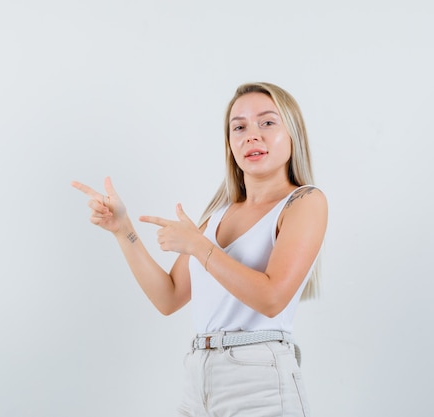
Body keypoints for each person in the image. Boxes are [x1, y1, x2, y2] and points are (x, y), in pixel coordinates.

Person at [71, 82, 327, 417]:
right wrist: (123, 230)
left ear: (292, 134)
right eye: (239, 127)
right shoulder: (217, 217)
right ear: (230, 143)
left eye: (267, 122)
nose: (251, 135)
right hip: (199, 380)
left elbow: (272, 298)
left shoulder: (305, 202)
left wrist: (199, 246)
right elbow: (169, 297)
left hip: (260, 384)